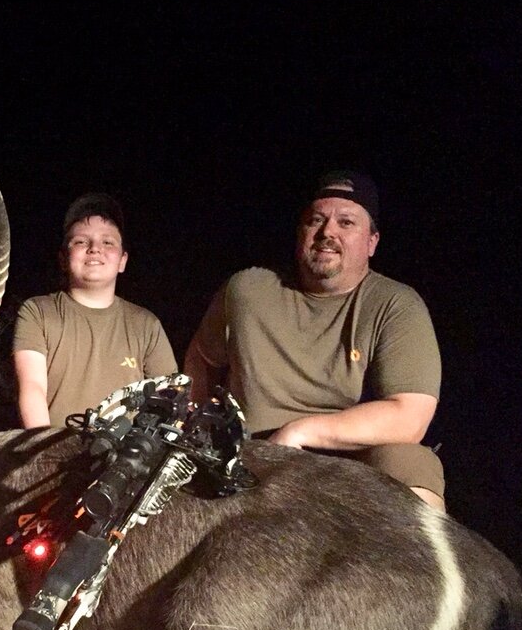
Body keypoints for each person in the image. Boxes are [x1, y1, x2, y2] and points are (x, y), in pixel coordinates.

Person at [184, 170, 446, 510]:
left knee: (410, 463)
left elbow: (410, 416)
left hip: (351, 462)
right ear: (300, 233)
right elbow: (201, 360)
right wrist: (201, 425)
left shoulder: (396, 304)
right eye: (316, 220)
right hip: (252, 456)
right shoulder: (248, 290)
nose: (327, 232)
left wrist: (300, 433)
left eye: (346, 222)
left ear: (372, 242)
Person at [14, 193, 178, 428]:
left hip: (128, 460)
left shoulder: (146, 324)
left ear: (122, 261)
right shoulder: (38, 312)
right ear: (63, 258)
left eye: (108, 242)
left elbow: (169, 400)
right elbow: (32, 388)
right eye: (81, 241)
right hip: (54, 454)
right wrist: (44, 451)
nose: (94, 249)